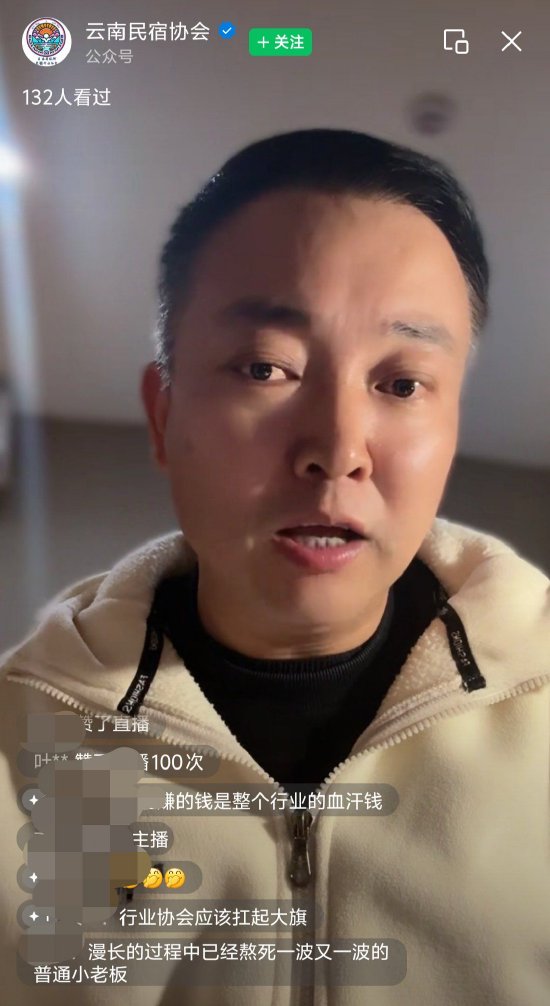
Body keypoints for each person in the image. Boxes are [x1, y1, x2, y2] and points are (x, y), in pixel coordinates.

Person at [1, 128, 549, 1005]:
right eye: (266, 367)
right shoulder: (19, 746)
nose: (338, 449)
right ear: (163, 417)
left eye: (402, 383)